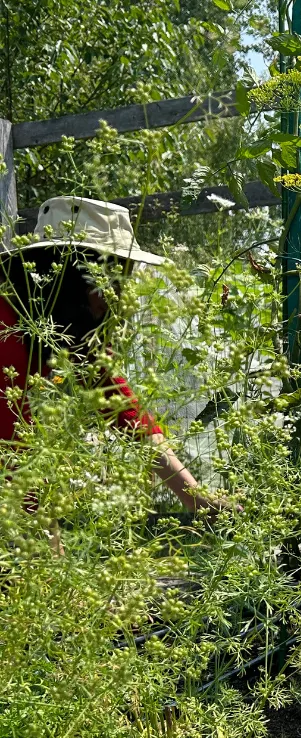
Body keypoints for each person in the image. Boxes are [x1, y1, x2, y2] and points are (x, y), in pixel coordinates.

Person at [0, 195, 214, 515]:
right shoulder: (7, 330)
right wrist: (43, 545)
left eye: (124, 280)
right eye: (112, 279)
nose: (120, 296)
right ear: (69, 274)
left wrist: (195, 497)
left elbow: (126, 412)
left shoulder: (70, 327)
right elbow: (14, 459)